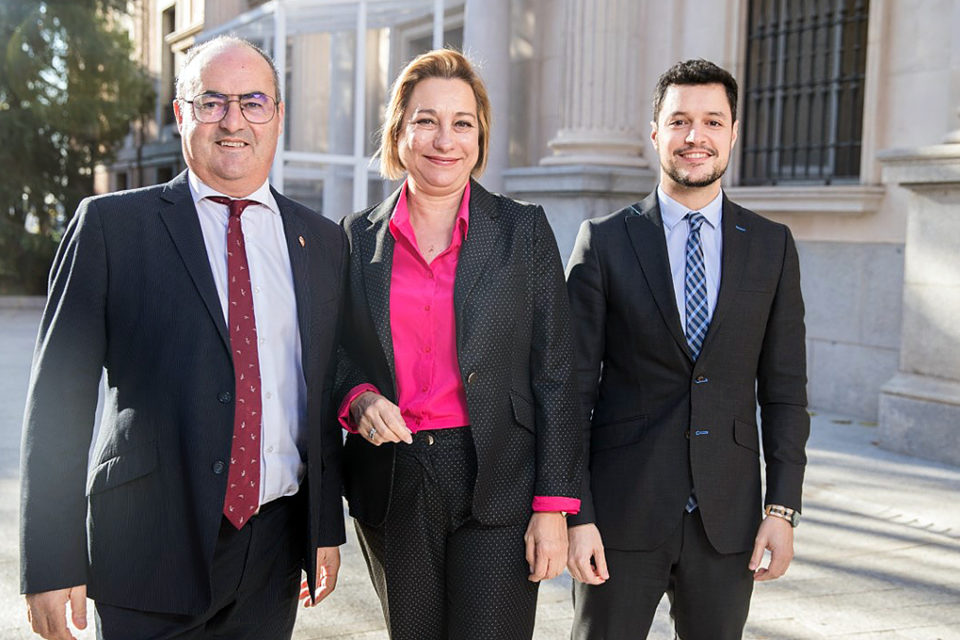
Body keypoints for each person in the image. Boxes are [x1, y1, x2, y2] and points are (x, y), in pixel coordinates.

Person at [19, 36, 346, 640]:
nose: (233, 121)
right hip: (145, 549)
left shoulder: (322, 242)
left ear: (277, 114)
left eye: (253, 102)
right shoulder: (111, 227)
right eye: (212, 101)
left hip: (271, 554)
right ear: (181, 113)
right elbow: (58, 403)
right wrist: (51, 561)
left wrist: (323, 529)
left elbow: (319, 395)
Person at [334, 49, 581, 639]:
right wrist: (359, 398)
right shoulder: (355, 237)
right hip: (395, 477)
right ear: (399, 132)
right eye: (426, 120)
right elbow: (332, 353)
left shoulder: (522, 231)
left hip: (498, 474)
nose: (445, 139)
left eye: (462, 122)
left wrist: (553, 505)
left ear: (480, 135)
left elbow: (556, 370)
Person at [565, 58, 809, 640]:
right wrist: (579, 515)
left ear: (732, 134)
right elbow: (569, 392)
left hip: (728, 523)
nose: (695, 137)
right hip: (621, 518)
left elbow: (785, 391)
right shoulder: (604, 241)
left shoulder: (771, 246)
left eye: (711, 122)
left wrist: (782, 509)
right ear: (656, 134)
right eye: (679, 122)